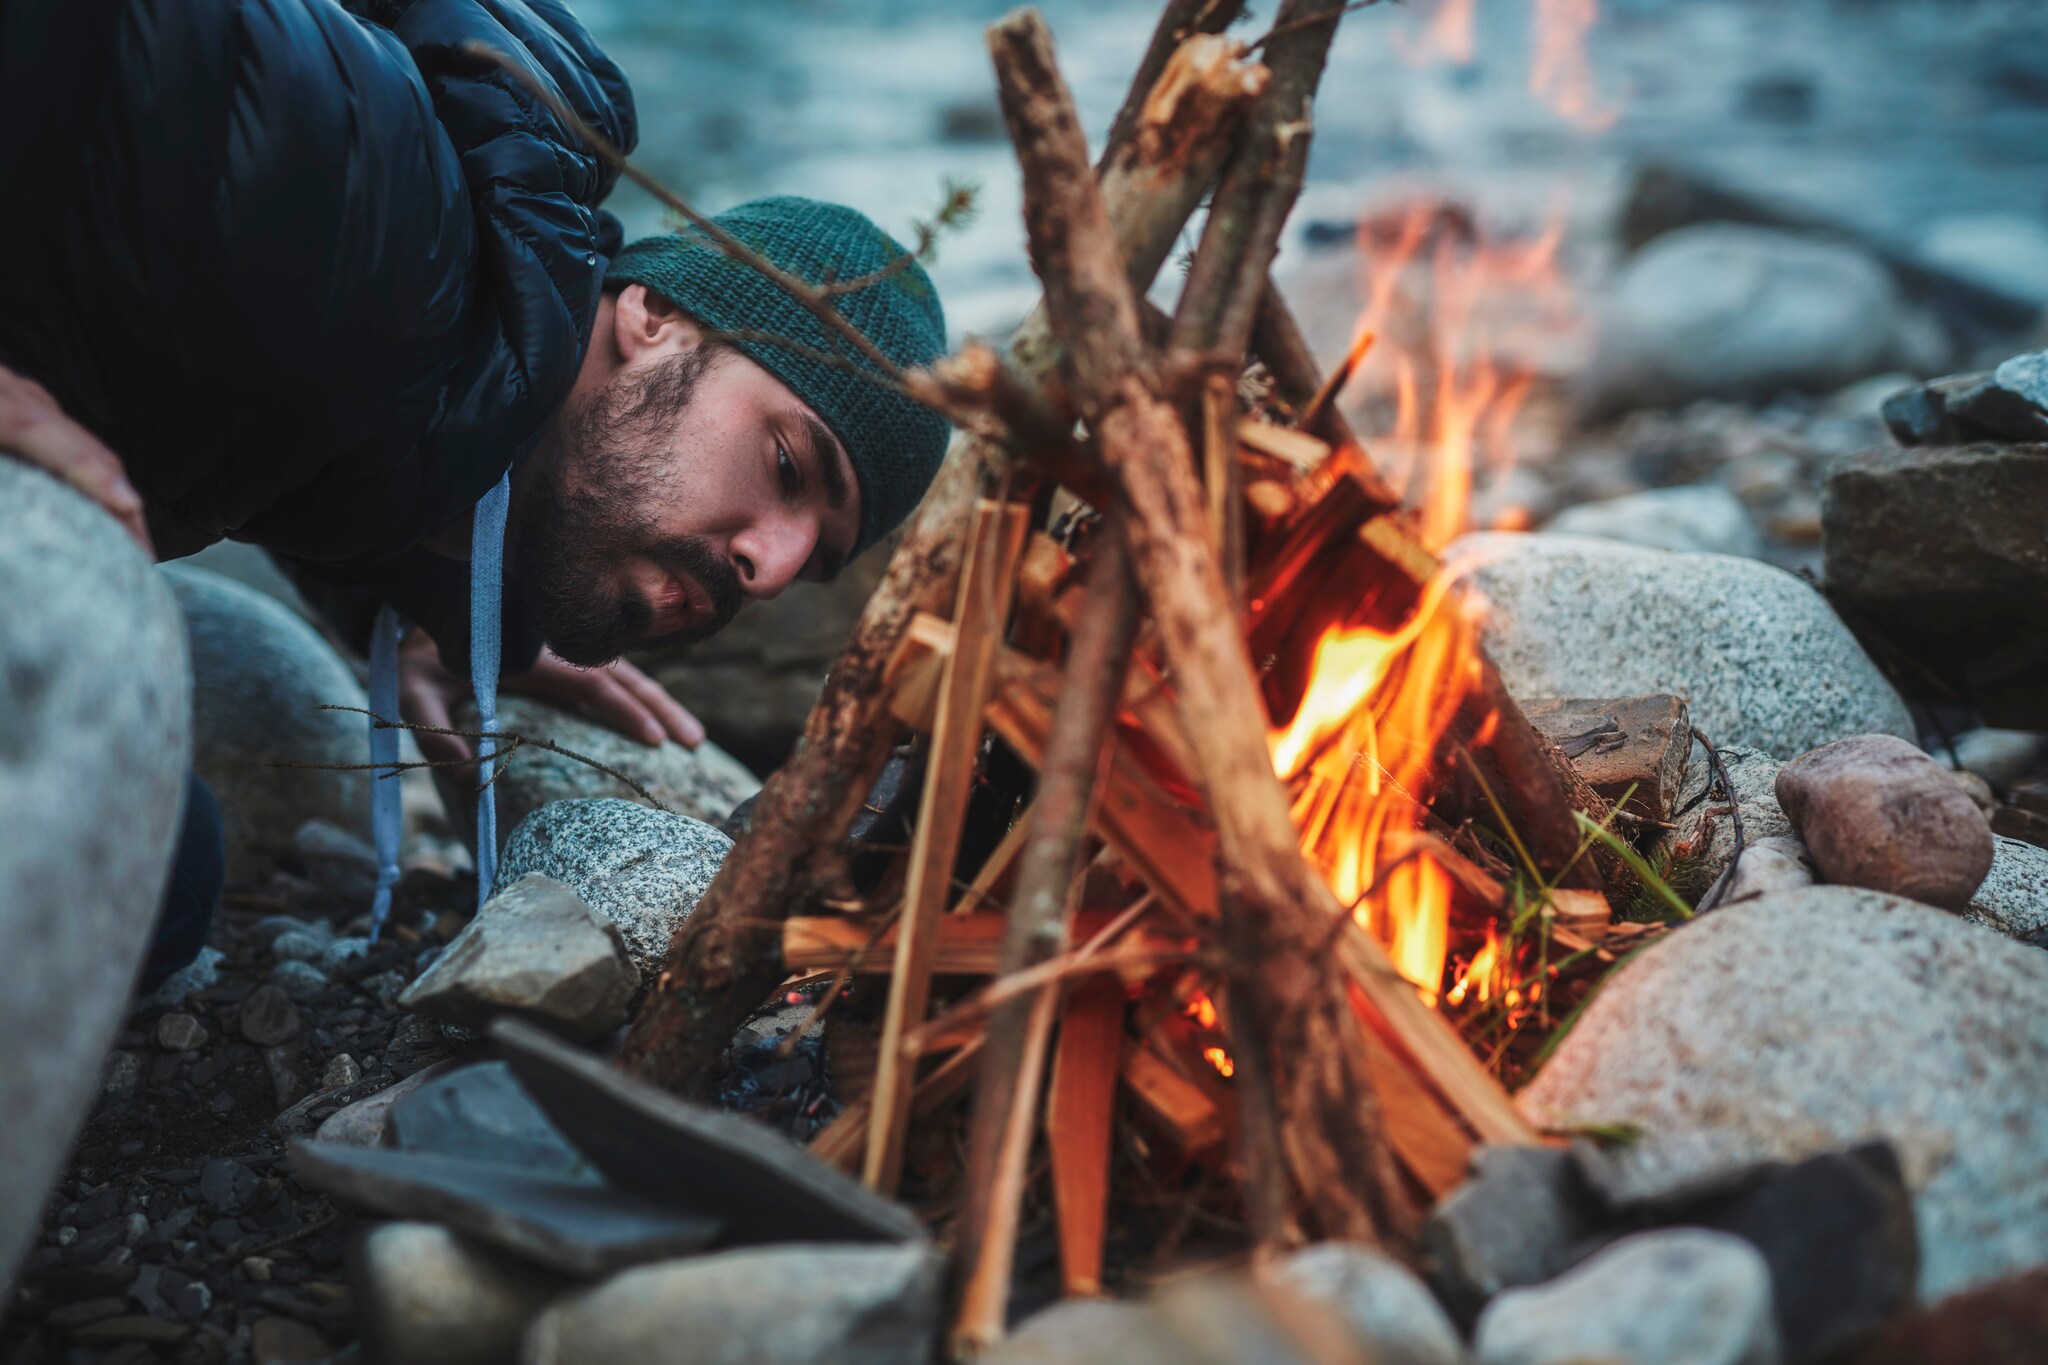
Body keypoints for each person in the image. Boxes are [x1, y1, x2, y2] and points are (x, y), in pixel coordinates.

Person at [0, 0, 951, 990]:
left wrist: (423, 588)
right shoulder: (356, 183)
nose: (773, 568)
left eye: (815, 561)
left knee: (156, 875)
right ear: (656, 317)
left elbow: (296, 390)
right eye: (790, 468)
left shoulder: (403, 340)